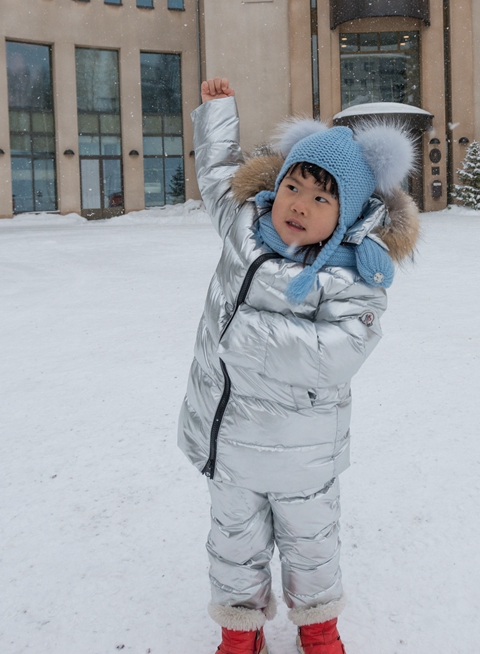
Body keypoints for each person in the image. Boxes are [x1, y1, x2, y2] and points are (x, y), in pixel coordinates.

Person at [179, 77, 420, 654]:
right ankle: (241, 633)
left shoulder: (353, 276)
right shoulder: (245, 229)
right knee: (232, 542)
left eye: (321, 198)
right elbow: (217, 178)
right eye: (293, 186)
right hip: (231, 441)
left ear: (346, 213)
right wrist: (218, 114)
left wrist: (249, 334)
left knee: (312, 544)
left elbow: (341, 352)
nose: (298, 205)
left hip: (303, 454)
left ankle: (319, 629)